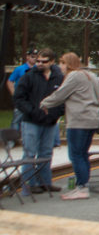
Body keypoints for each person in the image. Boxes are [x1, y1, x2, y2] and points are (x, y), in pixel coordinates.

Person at [38, 52, 99, 201]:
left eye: (62, 63)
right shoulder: (90, 75)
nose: (60, 66)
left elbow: (60, 94)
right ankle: (83, 184)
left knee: (76, 155)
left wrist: (44, 103)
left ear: (68, 64)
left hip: (79, 120)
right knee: (83, 154)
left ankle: (81, 188)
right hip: (92, 118)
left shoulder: (74, 76)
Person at [13, 48, 64, 194]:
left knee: (46, 153)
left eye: (44, 61)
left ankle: (45, 182)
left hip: (50, 122)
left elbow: (62, 99)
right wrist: (34, 112)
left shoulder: (58, 77)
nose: (40, 64)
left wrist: (56, 114)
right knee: (30, 153)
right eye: (38, 61)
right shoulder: (29, 76)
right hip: (31, 121)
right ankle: (29, 184)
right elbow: (19, 99)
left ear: (52, 62)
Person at [6, 49, 37, 133]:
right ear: (27, 57)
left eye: (36, 57)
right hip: (21, 97)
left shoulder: (38, 69)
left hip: (33, 98)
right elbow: (10, 81)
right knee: (17, 119)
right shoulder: (20, 69)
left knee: (33, 118)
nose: (34, 59)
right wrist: (14, 94)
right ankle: (12, 139)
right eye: (32, 57)